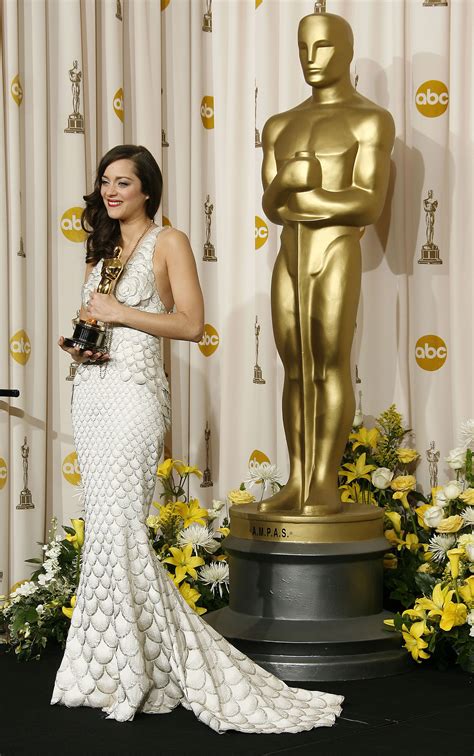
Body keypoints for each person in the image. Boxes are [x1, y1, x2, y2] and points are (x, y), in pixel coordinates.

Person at [52, 144, 343, 732]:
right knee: (105, 531)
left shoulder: (171, 241)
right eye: (106, 182)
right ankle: (109, 668)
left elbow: (190, 324)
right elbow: (99, 317)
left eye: (124, 183)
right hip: (94, 393)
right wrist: (86, 341)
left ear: (148, 192)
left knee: (125, 528)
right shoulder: (104, 248)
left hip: (134, 397)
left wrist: (121, 313)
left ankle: (145, 669)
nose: (112, 192)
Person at [259, 11, 394, 515]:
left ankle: (323, 483)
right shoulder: (281, 124)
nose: (311, 60)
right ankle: (297, 479)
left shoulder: (369, 119)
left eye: (323, 48)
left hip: (335, 250)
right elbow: (272, 206)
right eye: (303, 48)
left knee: (329, 366)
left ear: (347, 51)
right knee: (294, 368)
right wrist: (290, 187)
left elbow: (368, 204)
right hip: (290, 255)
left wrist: (303, 193)